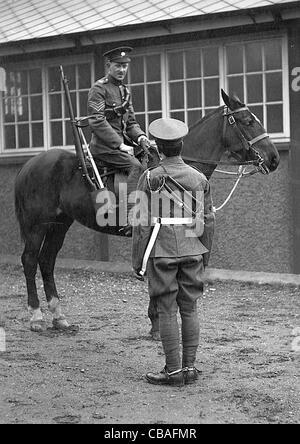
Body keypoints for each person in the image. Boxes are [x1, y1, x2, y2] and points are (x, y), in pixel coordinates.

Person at [132, 118, 215, 386]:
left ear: (160, 148)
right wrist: (205, 254)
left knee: (166, 309)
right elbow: (208, 220)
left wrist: (139, 260)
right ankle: (189, 368)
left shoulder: (150, 177)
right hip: (193, 247)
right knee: (189, 307)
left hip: (163, 249)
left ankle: (173, 371)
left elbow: (141, 222)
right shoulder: (199, 178)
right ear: (181, 145)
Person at [88, 46, 150, 233]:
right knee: (136, 167)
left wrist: (140, 137)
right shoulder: (99, 88)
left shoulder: (125, 91)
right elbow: (96, 120)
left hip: (124, 145)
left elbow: (130, 122)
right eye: (118, 66)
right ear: (109, 66)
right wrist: (120, 144)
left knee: (152, 159)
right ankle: (131, 219)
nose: (122, 70)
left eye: (125, 66)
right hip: (104, 146)